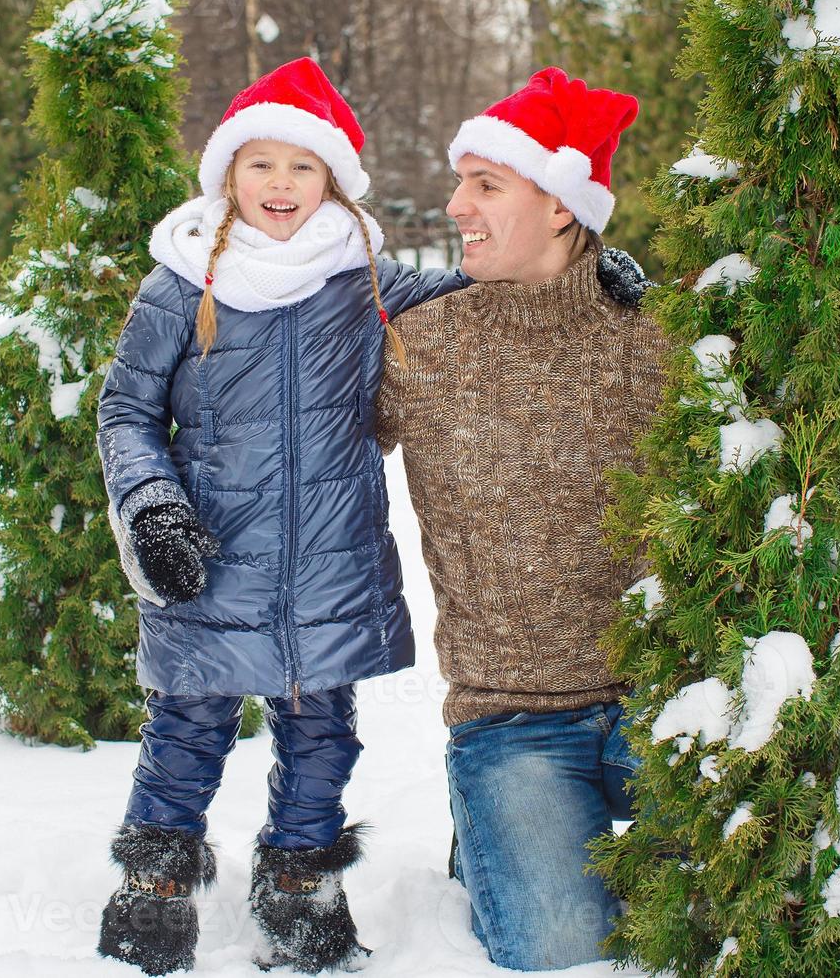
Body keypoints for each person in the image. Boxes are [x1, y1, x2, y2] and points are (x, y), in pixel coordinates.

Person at [93, 57, 473, 976]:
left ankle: (301, 884)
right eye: (260, 164)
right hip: (209, 556)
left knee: (322, 733)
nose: (280, 185)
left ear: (333, 180)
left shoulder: (364, 278)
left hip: (329, 561)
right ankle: (154, 886)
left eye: (303, 167)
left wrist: (576, 269)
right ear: (228, 173)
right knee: (187, 729)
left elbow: (482, 299)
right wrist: (151, 508)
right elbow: (127, 412)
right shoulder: (180, 280)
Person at [375, 67, 666, 971]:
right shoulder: (417, 345)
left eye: (486, 184)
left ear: (561, 208)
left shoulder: (657, 343)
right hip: (513, 718)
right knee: (563, 951)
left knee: (705, 925)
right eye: (459, 181)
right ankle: (493, 824)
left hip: (666, 702)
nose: (455, 203)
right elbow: (298, 450)